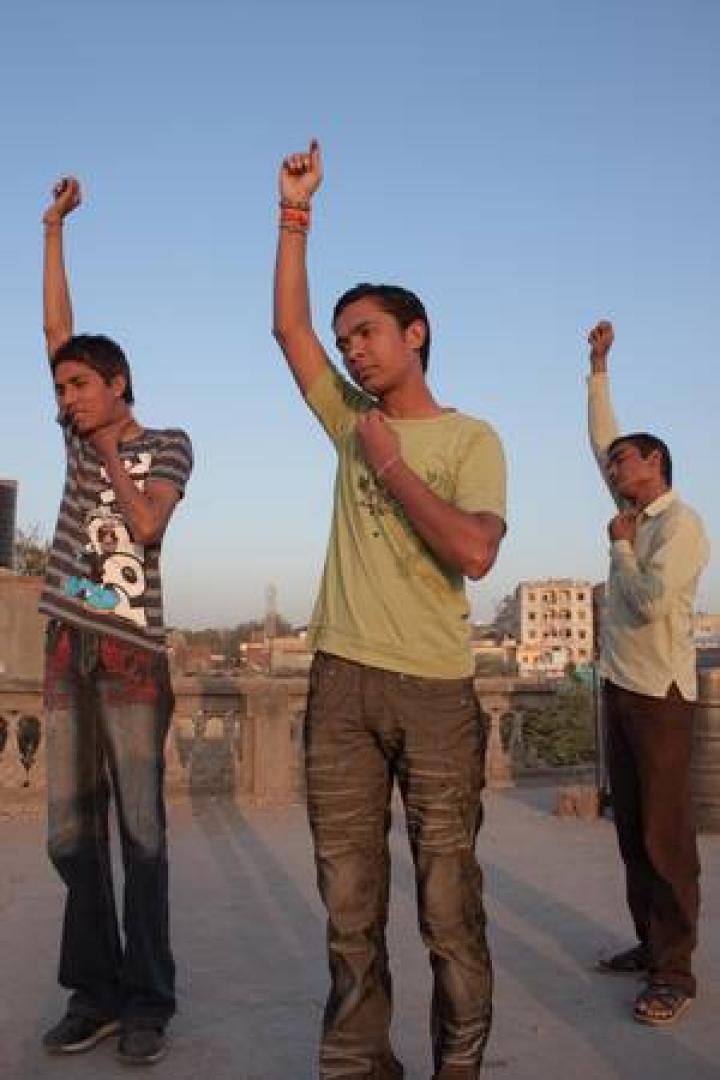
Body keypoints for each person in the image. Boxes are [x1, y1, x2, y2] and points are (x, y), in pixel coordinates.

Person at [273, 141, 507, 1080]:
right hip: (340, 687)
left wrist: (392, 464)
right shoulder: (346, 419)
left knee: (449, 911)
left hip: (438, 695)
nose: (350, 349)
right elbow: (288, 330)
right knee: (348, 909)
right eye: (345, 340)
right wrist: (295, 215)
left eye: (366, 331)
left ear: (416, 333)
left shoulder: (468, 436)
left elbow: (476, 550)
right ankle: (359, 1066)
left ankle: (461, 1068)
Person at [40, 177, 193, 1065]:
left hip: (135, 653)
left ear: (118, 384)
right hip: (68, 641)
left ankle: (149, 997)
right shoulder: (71, 430)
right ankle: (93, 992)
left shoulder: (167, 441)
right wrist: (52, 231)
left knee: (141, 835)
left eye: (81, 385)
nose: (67, 397)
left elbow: (147, 525)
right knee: (69, 831)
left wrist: (108, 452)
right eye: (61, 388)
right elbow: (57, 326)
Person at [587, 320, 709, 1026]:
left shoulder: (678, 525)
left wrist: (623, 552)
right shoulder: (633, 516)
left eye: (623, 463)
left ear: (655, 464)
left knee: (666, 838)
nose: (611, 471)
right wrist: (598, 370)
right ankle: (648, 942)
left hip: (662, 698)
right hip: (621, 690)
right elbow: (599, 437)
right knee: (631, 830)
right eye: (610, 468)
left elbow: (654, 600)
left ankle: (675, 972)